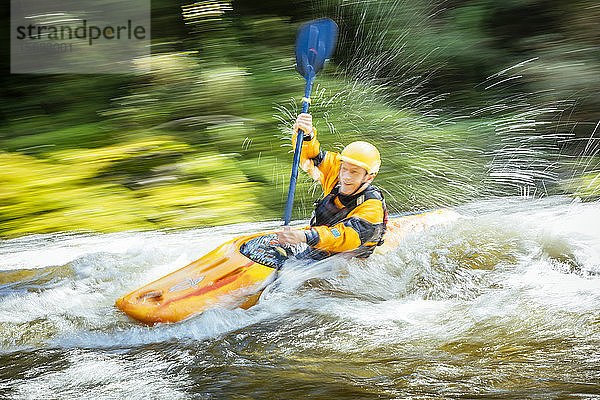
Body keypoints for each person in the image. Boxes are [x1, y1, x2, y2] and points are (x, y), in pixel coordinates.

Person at [276, 113, 387, 260]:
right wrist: (307, 134)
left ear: (369, 177)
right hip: (318, 246)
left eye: (354, 172)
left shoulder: (372, 208)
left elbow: (343, 236)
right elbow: (309, 157)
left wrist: (304, 236)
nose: (346, 177)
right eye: (344, 169)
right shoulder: (338, 171)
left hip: (348, 262)